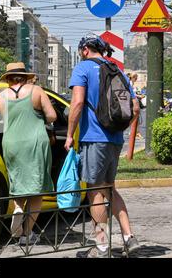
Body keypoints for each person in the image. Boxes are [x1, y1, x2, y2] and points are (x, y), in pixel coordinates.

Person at [65, 34, 141, 258]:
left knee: (95, 192)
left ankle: (101, 247)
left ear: (85, 49)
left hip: (93, 139)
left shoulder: (83, 68)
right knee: (110, 188)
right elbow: (135, 108)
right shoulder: (116, 70)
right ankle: (129, 238)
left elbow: (77, 102)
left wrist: (70, 135)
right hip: (115, 139)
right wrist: (119, 129)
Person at [0, 62, 57, 246]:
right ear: (25, 76)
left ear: (7, 78)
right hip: (35, 142)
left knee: (17, 181)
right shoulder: (36, 91)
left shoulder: (1, 96)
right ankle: (27, 234)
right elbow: (53, 115)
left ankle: (17, 208)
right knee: (37, 190)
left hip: (11, 143)